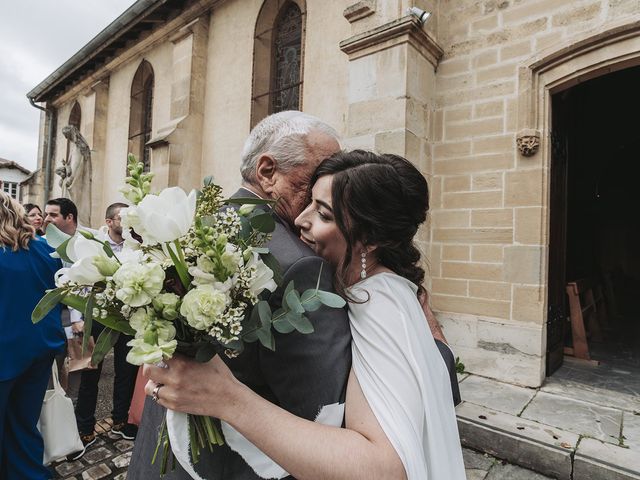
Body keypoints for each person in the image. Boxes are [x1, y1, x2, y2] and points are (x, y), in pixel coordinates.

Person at [144, 150, 466, 479]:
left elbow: (382, 468)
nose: (300, 220)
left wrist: (225, 397)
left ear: (370, 238)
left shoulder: (380, 303)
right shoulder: (357, 288)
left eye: (324, 214)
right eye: (309, 202)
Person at [127, 111, 352, 480]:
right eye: (320, 175)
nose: (329, 188)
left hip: (161, 455)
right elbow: (322, 410)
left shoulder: (189, 226)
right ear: (267, 171)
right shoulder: (300, 265)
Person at [0, 192, 66, 479]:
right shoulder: (43, 249)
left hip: (5, 353)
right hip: (40, 349)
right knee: (23, 424)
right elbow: (61, 295)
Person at [71, 203, 139, 460]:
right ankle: (85, 429)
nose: (127, 222)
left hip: (129, 318)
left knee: (127, 372)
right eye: (122, 218)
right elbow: (79, 282)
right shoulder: (92, 243)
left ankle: (121, 421)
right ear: (109, 222)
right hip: (98, 317)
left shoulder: (136, 244)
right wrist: (78, 319)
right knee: (90, 375)